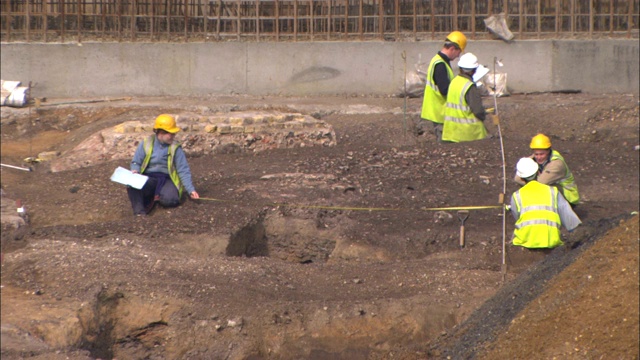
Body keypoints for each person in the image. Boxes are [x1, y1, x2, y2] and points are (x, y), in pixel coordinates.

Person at [127, 114, 199, 216]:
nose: (173, 136)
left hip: (167, 179)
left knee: (171, 200)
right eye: (171, 134)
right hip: (149, 178)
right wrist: (135, 170)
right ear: (160, 132)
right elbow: (136, 162)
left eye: (174, 134)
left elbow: (183, 169)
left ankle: (156, 195)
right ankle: (139, 213)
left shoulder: (175, 148)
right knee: (131, 185)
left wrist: (191, 190)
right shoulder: (146, 143)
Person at [510, 157, 581, 249]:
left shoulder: (517, 196)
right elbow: (570, 220)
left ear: (521, 178)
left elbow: (518, 218)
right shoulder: (553, 192)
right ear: (538, 172)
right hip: (551, 241)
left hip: (526, 241)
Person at [419, 31, 468, 141]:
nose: (458, 56)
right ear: (452, 49)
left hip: (438, 111)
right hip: (439, 113)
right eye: (459, 52)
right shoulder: (440, 64)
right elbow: (445, 90)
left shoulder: (439, 60)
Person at [514, 133, 580, 206]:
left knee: (544, 187)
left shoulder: (557, 164)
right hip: (552, 191)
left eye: (542, 154)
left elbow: (540, 183)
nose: (538, 157)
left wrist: (527, 181)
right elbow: (517, 178)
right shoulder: (533, 158)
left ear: (548, 151)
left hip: (569, 197)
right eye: (536, 154)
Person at [441, 53, 488, 143]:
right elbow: (477, 110)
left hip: (451, 132)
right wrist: (483, 115)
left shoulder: (454, 81)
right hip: (469, 134)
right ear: (473, 70)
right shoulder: (469, 86)